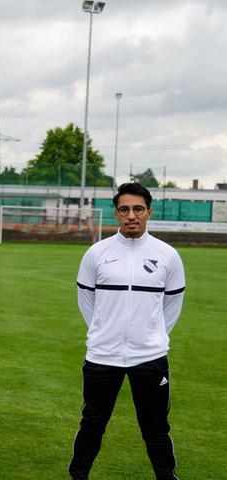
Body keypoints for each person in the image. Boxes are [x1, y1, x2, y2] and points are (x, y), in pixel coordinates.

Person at [69, 183, 185, 480]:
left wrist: (153, 335)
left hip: (149, 357)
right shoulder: (96, 253)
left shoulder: (168, 255)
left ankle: (167, 477)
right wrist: (102, 331)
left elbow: (172, 305)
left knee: (156, 427)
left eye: (137, 209)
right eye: (124, 209)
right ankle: (78, 475)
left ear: (149, 212)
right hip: (102, 355)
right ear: (116, 213)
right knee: (92, 423)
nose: (131, 215)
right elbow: (87, 301)